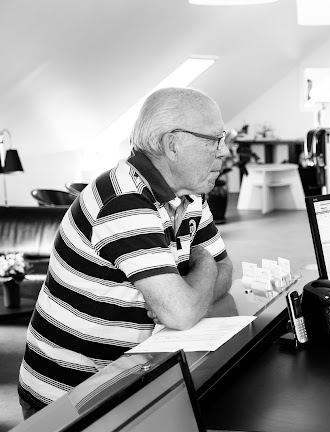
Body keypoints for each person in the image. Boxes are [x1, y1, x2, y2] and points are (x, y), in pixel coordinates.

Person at [17, 87, 234, 418]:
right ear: (172, 144)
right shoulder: (124, 201)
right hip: (70, 399)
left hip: (124, 381)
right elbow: (183, 312)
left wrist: (193, 286)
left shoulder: (190, 194)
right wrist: (203, 264)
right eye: (215, 140)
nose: (224, 151)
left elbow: (226, 271)